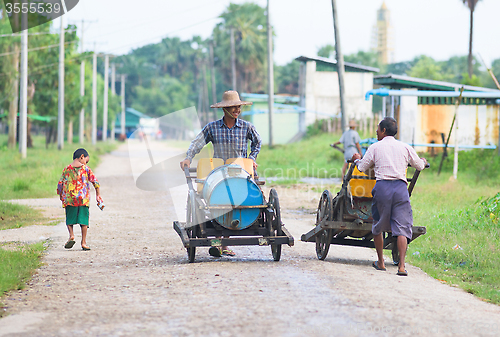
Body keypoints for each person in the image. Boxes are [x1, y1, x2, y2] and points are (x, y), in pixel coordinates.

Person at [179, 90, 262, 257]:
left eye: (238, 107)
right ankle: (220, 241)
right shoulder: (212, 127)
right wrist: (188, 157)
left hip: (239, 171)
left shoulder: (247, 127)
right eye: (233, 107)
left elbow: (257, 142)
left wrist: (252, 158)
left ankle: (223, 242)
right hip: (218, 172)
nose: (237, 110)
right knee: (221, 201)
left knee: (237, 202)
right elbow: (197, 143)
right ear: (225, 109)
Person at [352, 117, 427, 276]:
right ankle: (401, 266)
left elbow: (362, 167)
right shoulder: (405, 147)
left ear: (384, 131)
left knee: (378, 226)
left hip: (383, 188)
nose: (376, 132)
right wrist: (423, 160)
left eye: (378, 129)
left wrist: (357, 159)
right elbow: (419, 165)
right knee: (402, 229)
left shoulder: (375, 147)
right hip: (400, 190)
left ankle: (380, 262)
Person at [57, 148, 103, 251]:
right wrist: (98, 195)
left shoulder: (66, 169)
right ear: (82, 157)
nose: (85, 163)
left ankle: (72, 235)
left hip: (70, 199)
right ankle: (84, 242)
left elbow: (60, 184)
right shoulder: (86, 169)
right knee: (84, 221)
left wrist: (61, 196)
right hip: (83, 199)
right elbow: (95, 182)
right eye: (86, 161)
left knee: (70, 219)